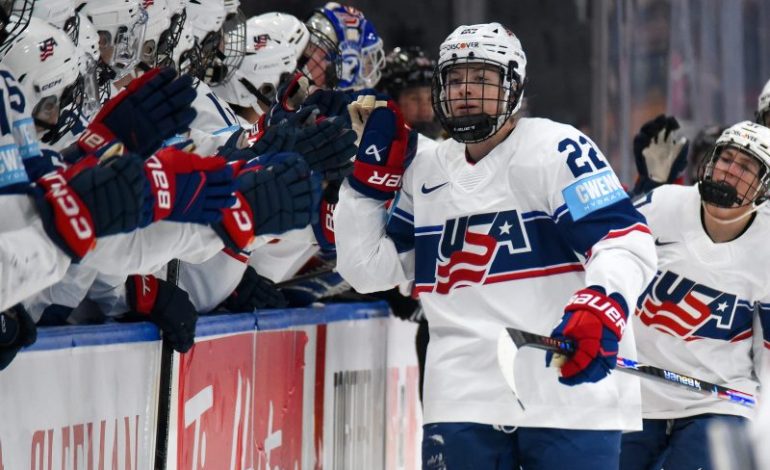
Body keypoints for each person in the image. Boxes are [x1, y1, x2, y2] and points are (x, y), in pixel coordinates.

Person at [334, 22, 657, 468]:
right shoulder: (424, 167)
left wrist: (601, 306)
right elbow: (367, 270)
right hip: (461, 400)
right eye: (455, 79)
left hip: (565, 394)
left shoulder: (557, 149)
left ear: (514, 87)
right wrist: (366, 188)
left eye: (482, 79)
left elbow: (623, 239)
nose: (466, 90)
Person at [620, 120, 770, 470]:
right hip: (637, 386)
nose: (730, 171)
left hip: (719, 401)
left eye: (746, 167)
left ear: (764, 188)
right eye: (725, 158)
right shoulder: (660, 203)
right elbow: (603, 263)